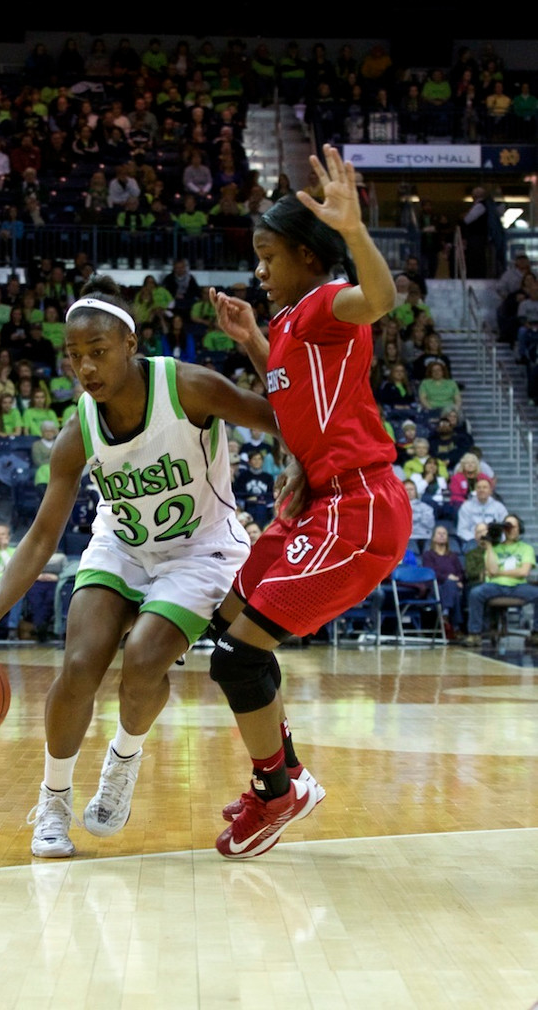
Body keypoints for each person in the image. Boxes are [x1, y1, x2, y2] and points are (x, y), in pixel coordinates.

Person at [0, 274, 301, 860]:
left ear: (131, 344)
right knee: (78, 665)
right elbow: (43, 534)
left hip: (199, 549)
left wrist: (299, 464)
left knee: (143, 661)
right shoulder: (79, 428)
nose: (87, 368)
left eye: (98, 352)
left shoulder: (190, 387)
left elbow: (282, 417)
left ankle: (124, 758)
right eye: (75, 356)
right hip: (122, 546)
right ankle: (53, 801)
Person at [204, 144, 411, 859]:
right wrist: (254, 341)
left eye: (267, 256)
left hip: (357, 508)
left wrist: (354, 233)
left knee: (236, 657)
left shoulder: (327, 304)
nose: (258, 270)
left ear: (304, 255)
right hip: (322, 500)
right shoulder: (292, 324)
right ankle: (284, 775)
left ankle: (277, 790)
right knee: (226, 624)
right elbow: (295, 397)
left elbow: (379, 301)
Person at [463, 514, 538, 648]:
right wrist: (490, 546)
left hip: (518, 586)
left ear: (519, 529)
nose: (510, 530)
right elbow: (491, 570)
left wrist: (499, 572)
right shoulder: (494, 548)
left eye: (513, 527)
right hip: (495, 585)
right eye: (506, 527)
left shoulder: (526, 548)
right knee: (475, 593)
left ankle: (536, 633)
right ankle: (474, 634)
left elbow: (523, 572)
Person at [422, 524, 465, 637]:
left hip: (452, 587)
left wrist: (458, 580)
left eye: (444, 533)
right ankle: (455, 626)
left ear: (447, 537)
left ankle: (445, 615)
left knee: (452, 587)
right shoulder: (428, 555)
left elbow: (460, 572)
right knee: (452, 588)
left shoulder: (453, 556)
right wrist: (448, 578)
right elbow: (431, 572)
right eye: (439, 533)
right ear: (433, 537)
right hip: (435, 588)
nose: (441, 535)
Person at [456, 478, 509, 551]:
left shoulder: (499, 507)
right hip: (473, 542)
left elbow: (505, 529)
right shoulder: (466, 507)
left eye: (485, 487)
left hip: (495, 542)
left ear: (490, 491)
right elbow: (462, 530)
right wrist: (479, 538)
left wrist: (495, 539)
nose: (481, 490)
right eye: (479, 487)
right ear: (475, 491)